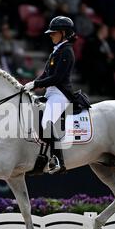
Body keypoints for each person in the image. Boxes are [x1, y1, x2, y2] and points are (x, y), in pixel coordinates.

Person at [23, 16, 77, 175]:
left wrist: (36, 85)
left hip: (61, 93)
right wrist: (31, 85)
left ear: (63, 33)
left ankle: (59, 161)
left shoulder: (67, 51)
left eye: (54, 33)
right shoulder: (57, 51)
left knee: (46, 123)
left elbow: (57, 78)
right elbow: (45, 74)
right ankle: (39, 160)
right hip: (51, 93)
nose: (51, 35)